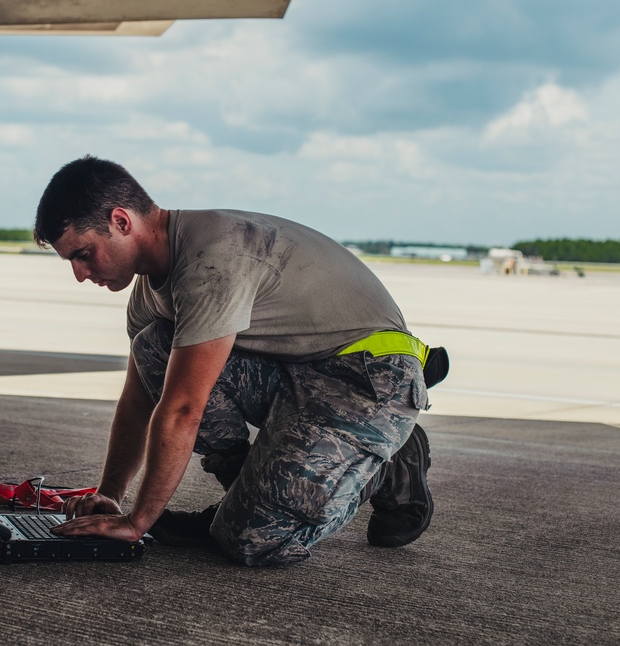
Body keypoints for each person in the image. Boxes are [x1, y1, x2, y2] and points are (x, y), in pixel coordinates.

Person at [35, 156, 445, 567]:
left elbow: (182, 409)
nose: (80, 273)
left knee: (253, 541)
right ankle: (248, 501)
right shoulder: (148, 293)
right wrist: (109, 494)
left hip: (368, 377)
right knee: (153, 347)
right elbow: (138, 401)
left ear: (122, 221)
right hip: (296, 369)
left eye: (84, 253)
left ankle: (388, 465)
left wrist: (137, 522)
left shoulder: (212, 260)